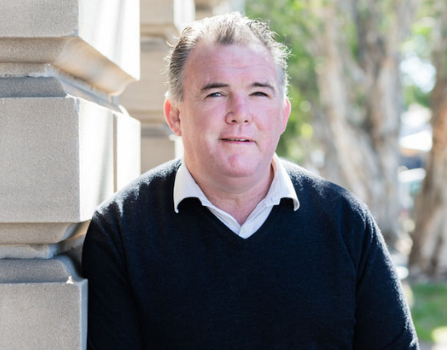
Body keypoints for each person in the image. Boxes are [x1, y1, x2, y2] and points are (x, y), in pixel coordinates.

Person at [82, 12, 418, 350]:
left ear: (282, 114)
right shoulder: (121, 231)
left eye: (259, 93)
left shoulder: (345, 222)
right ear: (175, 116)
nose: (240, 112)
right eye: (216, 93)